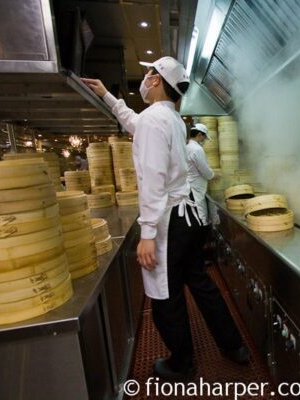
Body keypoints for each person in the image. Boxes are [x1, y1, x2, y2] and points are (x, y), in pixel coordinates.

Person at [82, 57, 248, 381]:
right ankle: (234, 346)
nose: (144, 79)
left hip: (170, 221)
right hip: (189, 217)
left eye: (148, 73)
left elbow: (153, 179)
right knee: (200, 283)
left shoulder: (154, 120)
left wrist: (147, 233)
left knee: (165, 296)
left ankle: (181, 365)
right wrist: (108, 96)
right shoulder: (170, 117)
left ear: (157, 81)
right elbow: (135, 123)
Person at [186, 123, 215, 228]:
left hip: (190, 185)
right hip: (196, 186)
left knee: (194, 212)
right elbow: (204, 169)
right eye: (203, 137)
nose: (204, 140)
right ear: (199, 134)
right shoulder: (197, 149)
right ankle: (202, 234)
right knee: (200, 212)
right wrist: (213, 175)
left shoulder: (187, 147)